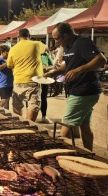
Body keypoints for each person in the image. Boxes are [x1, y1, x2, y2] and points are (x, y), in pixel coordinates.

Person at [45, 22, 107, 151]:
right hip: (79, 90)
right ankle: (89, 154)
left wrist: (78, 70)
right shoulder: (68, 46)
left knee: (65, 126)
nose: (56, 42)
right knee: (84, 126)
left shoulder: (82, 42)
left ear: (66, 35)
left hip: (84, 90)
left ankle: (60, 155)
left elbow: (101, 60)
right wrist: (53, 72)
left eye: (57, 39)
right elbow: (68, 65)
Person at [6, 28, 47, 122]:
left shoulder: (13, 49)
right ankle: (29, 126)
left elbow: (9, 65)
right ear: (29, 36)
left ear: (18, 37)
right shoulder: (36, 44)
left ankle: (19, 126)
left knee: (17, 105)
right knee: (33, 105)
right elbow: (46, 48)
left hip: (18, 81)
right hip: (33, 81)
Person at [0, 45, 13, 110]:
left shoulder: (9, 60)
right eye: (8, 52)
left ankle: (5, 117)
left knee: (7, 102)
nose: (9, 54)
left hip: (10, 83)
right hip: (2, 84)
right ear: (3, 52)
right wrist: (6, 63)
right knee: (3, 100)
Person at [40, 51, 54, 124]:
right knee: (31, 98)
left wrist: (47, 68)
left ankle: (44, 116)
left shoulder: (46, 54)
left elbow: (52, 65)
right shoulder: (33, 53)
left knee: (43, 97)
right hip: (33, 78)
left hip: (44, 78)